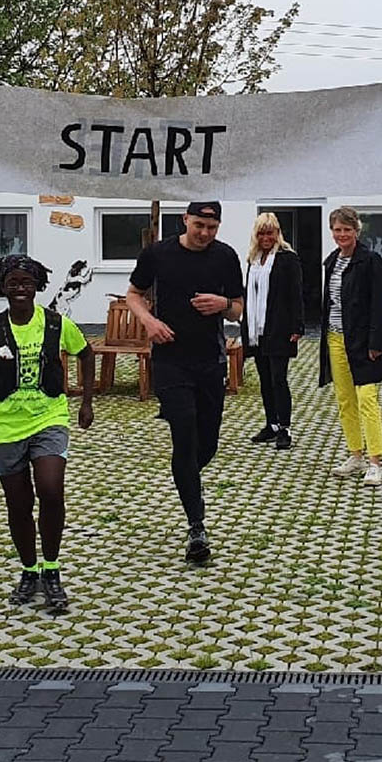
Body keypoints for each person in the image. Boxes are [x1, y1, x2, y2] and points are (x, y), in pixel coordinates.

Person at [0, 255, 94, 610]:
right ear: (1, 288)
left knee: (50, 490)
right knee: (18, 504)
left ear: (37, 286)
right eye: (13, 283)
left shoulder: (55, 324)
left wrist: (86, 401)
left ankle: (52, 569)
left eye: (27, 283)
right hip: (4, 427)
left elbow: (85, 353)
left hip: (49, 418)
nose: (20, 289)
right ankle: (29, 570)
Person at [126, 201, 244, 564]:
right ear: (185, 221)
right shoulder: (158, 254)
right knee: (184, 433)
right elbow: (134, 294)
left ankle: (187, 476)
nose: (205, 233)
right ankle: (197, 526)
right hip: (170, 361)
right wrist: (148, 321)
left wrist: (223, 303)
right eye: (199, 226)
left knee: (205, 446)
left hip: (210, 360)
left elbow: (239, 307)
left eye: (212, 228)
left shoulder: (226, 256)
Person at [319, 206, 382, 488]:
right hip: (335, 338)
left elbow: (379, 304)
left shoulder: (371, 261)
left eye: (346, 230)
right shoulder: (331, 262)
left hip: (362, 341)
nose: (342, 235)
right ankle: (355, 455)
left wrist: (375, 342)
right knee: (345, 399)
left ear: (356, 231)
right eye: (337, 230)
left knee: (367, 399)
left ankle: (375, 462)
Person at [241, 213, 304, 449]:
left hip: (279, 328)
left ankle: (285, 428)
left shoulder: (288, 259)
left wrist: (297, 325)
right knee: (264, 380)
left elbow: (296, 294)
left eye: (270, 232)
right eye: (261, 233)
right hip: (257, 330)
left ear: (277, 233)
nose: (266, 237)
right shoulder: (253, 259)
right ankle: (272, 424)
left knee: (279, 379)